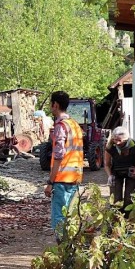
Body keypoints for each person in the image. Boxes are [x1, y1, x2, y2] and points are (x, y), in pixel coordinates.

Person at [44, 91, 84, 241]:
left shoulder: (61, 126)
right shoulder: (75, 125)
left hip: (62, 179)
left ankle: (63, 252)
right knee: (71, 216)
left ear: (55, 105)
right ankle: (71, 251)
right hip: (75, 177)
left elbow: (59, 155)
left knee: (60, 218)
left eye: (51, 104)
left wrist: (50, 182)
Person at [104, 126, 135, 215]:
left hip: (131, 172)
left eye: (120, 140)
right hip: (116, 172)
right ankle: (116, 220)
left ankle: (128, 220)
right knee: (115, 199)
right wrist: (110, 176)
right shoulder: (110, 146)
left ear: (126, 139)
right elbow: (106, 164)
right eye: (115, 140)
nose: (117, 143)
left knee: (130, 198)